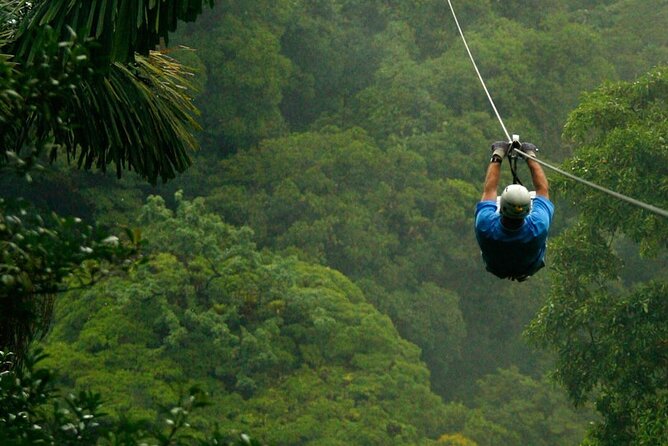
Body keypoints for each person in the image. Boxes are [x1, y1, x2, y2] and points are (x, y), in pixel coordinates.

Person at [474, 141, 555, 281]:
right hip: (529, 266)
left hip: (497, 267)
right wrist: (530, 156)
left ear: (503, 208)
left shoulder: (485, 225)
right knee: (537, 197)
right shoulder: (538, 226)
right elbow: (542, 189)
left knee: (491, 200)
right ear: (527, 211)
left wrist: (498, 154)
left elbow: (490, 190)